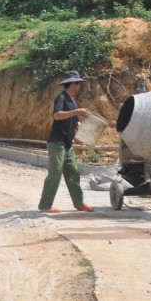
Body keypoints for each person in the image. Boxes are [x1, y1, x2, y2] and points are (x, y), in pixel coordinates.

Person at [38, 70, 94, 213]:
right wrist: (76, 112)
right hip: (57, 142)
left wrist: (80, 127)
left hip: (67, 143)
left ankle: (79, 203)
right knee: (55, 173)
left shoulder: (73, 102)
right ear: (73, 84)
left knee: (73, 173)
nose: (79, 87)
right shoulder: (61, 98)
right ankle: (45, 205)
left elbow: (75, 122)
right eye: (78, 84)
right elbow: (57, 116)